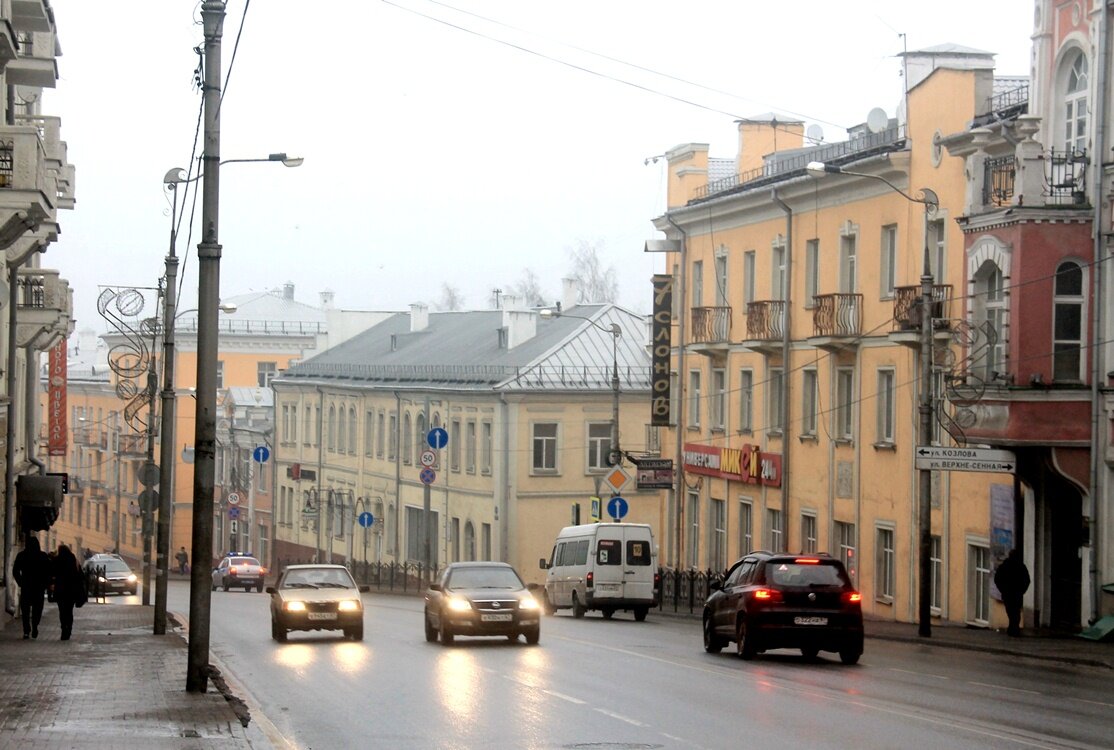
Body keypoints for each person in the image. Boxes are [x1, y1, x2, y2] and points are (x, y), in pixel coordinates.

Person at [12, 536, 50, 639]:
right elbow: (48, 572)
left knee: (25, 610)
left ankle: (26, 630)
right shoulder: (43, 556)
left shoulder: (22, 555)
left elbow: (15, 571)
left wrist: (21, 582)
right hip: (39, 587)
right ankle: (35, 626)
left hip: (26, 587)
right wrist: (45, 584)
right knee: (37, 609)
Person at [50, 544, 85, 640]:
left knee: (62, 612)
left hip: (60, 590)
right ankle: (68, 629)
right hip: (71, 591)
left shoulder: (57, 560)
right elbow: (80, 576)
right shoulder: (73, 560)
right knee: (69, 611)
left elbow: (52, 572)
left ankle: (63, 629)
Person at [994, 548, 1030, 637]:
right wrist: (1022, 590)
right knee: (1015, 612)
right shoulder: (1020, 566)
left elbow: (997, 579)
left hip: (1008, 593)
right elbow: (1027, 580)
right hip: (1016, 593)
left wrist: (1002, 589)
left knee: (1011, 611)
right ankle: (1014, 628)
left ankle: (1013, 628)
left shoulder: (1005, 566)